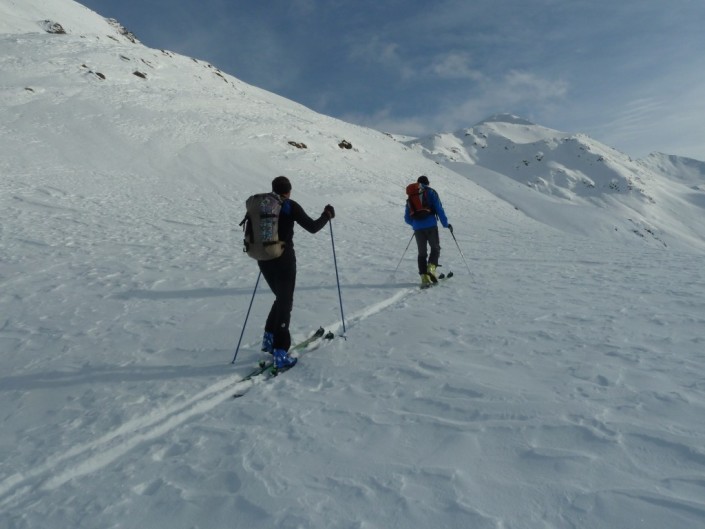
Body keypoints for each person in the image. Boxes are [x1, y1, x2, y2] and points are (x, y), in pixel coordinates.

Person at [258, 176, 335, 368]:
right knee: (285, 302)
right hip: (283, 259)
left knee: (279, 298)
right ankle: (280, 352)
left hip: (263, 258)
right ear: (289, 190)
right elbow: (313, 227)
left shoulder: (261, 204)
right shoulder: (289, 204)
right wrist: (327, 215)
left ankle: (269, 339)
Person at [404, 175, 452, 287]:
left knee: (422, 254)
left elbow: (407, 218)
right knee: (435, 248)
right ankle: (431, 268)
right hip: (431, 225)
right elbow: (439, 209)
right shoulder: (431, 192)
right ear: (427, 183)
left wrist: (415, 224)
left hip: (418, 229)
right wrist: (446, 224)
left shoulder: (411, 196)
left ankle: (424, 277)